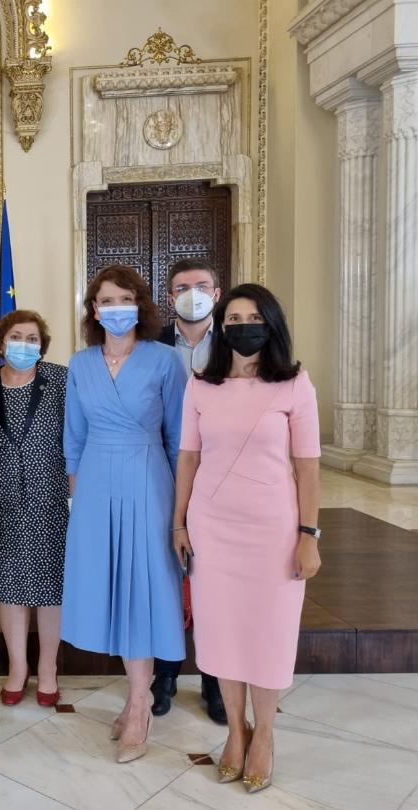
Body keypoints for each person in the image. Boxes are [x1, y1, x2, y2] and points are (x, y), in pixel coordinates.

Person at [173, 283, 321, 794]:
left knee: (269, 634)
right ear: (221, 328)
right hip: (212, 530)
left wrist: (308, 534)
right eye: (233, 319)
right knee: (221, 635)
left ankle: (265, 736)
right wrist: (178, 524)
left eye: (253, 318)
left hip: (274, 531)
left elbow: (308, 467)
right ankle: (236, 733)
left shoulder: (295, 384)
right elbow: (188, 458)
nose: (243, 327)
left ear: (271, 324)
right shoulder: (201, 385)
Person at [62, 264, 186, 763]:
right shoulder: (80, 364)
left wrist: (181, 508)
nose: (116, 308)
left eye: (125, 299)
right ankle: (134, 694)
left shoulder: (166, 361)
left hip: (147, 480)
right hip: (94, 484)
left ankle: (140, 704)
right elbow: (73, 438)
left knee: (141, 588)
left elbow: (179, 439)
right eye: (106, 301)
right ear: (94, 310)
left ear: (140, 306)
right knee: (109, 585)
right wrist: (78, 498)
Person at [152, 258, 226, 724]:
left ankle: (215, 681)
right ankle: (164, 675)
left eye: (201, 286)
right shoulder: (151, 345)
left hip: (221, 478)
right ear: (169, 297)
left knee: (213, 583)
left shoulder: (238, 344)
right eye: (182, 288)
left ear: (216, 294)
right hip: (163, 473)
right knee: (166, 577)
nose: (191, 295)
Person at [0, 310, 69, 708]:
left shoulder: (60, 380)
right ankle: (18, 667)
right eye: (16, 337)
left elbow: (78, 435)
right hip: (0, 499)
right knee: (9, 585)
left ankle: (48, 668)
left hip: (52, 498)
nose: (24, 344)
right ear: (1, 343)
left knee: (52, 587)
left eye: (32, 338)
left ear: (42, 345)